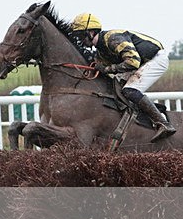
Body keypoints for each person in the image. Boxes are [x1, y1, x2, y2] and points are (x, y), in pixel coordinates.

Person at [70, 13, 176, 142]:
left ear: (91, 32)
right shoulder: (100, 51)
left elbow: (133, 62)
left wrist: (108, 69)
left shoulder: (112, 38)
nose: (80, 40)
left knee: (130, 90)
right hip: (142, 62)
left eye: (80, 35)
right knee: (117, 87)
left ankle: (163, 123)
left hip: (156, 59)